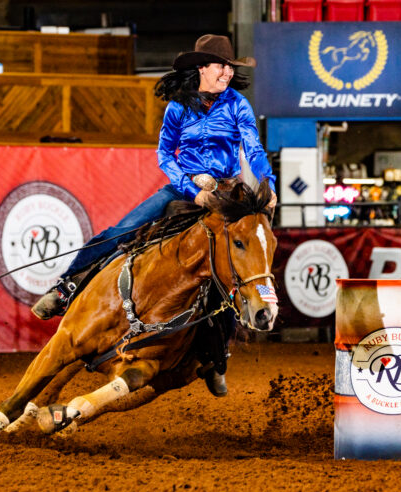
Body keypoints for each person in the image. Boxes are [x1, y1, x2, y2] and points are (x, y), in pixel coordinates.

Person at [31, 34, 277, 395]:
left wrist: (267, 183)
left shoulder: (238, 105)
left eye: (229, 67)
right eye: (221, 65)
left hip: (225, 194)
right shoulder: (178, 107)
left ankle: (215, 358)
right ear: (202, 68)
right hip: (183, 190)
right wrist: (193, 189)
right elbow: (165, 154)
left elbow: (253, 148)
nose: (226, 72)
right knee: (122, 231)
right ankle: (66, 288)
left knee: (228, 270)